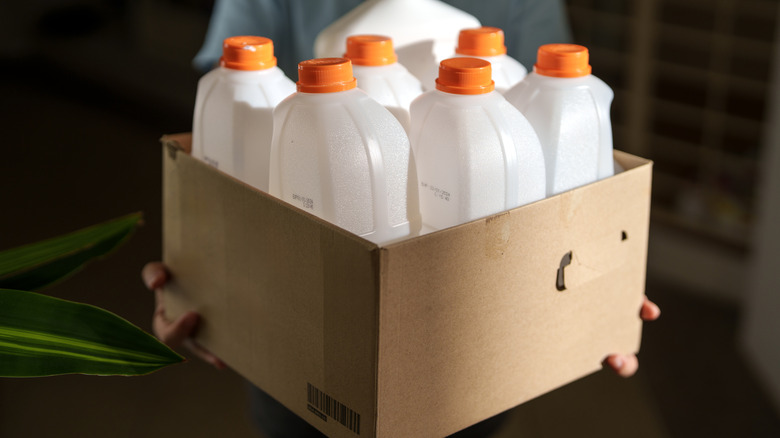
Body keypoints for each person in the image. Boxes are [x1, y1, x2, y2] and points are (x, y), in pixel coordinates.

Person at [147, 1, 662, 437]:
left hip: (482, 354)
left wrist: (599, 277)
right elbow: (224, 144)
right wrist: (201, 270)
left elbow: (551, 147)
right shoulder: (300, 102)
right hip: (288, 333)